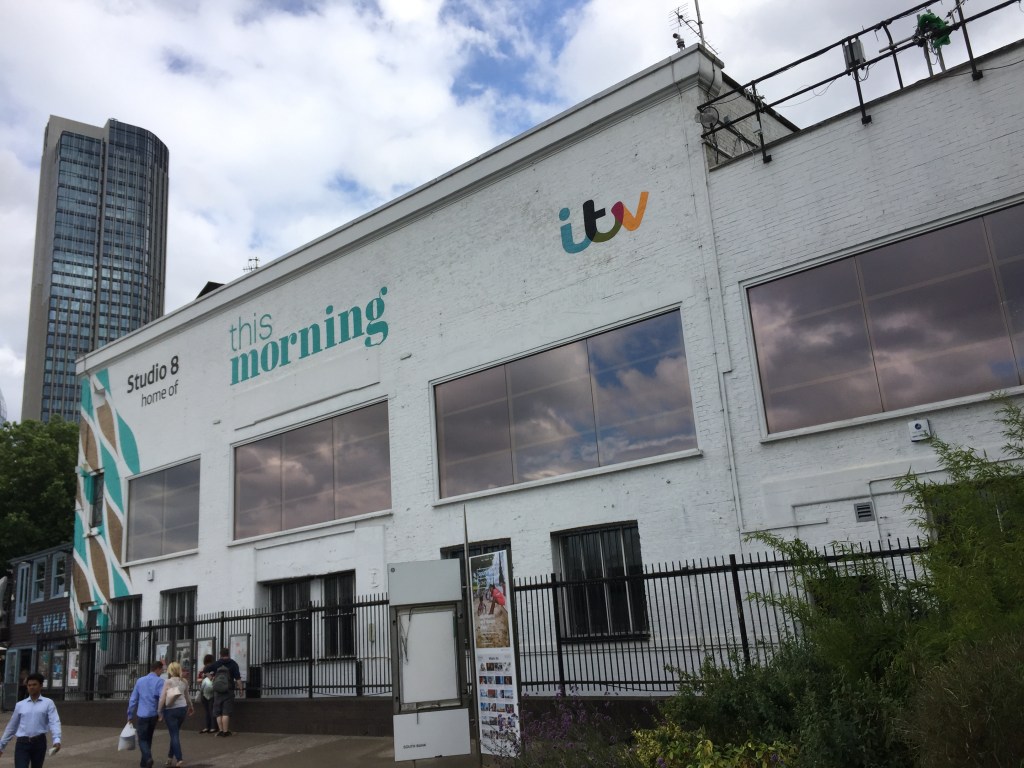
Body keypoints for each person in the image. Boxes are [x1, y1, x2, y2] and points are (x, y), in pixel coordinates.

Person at [0, 672, 61, 767]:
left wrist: (56, 739)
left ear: (41, 686)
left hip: (39, 742)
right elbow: (12, 727)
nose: (31, 687)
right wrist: (1, 745)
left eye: (34, 685)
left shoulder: (48, 703)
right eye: (29, 685)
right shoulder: (20, 705)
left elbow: (54, 722)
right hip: (22, 743)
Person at [127, 660, 165, 768]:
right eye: (161, 669)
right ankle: (144, 763)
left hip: (142, 715)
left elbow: (133, 699)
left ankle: (147, 758)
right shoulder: (160, 682)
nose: (162, 672)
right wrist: (161, 713)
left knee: (142, 739)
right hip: (153, 714)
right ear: (157, 669)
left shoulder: (140, 681)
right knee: (148, 738)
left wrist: (130, 715)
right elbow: (162, 698)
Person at [157, 661, 193, 767]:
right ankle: (169, 757)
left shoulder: (168, 682)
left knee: (174, 735)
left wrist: (159, 711)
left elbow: (163, 697)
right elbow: (187, 696)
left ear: (170, 671)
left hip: (171, 710)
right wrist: (191, 707)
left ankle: (179, 759)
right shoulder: (184, 681)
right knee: (175, 733)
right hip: (182, 709)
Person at [202, 648, 241, 737]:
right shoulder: (233, 664)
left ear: (220, 654)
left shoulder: (216, 663)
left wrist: (211, 678)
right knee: (226, 712)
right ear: (228, 654)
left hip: (217, 691)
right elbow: (238, 678)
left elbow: (205, 670)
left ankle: (220, 730)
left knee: (218, 712)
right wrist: (241, 689)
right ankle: (226, 731)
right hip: (228, 690)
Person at [197, 655, 216, 734]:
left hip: (205, 691)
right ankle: (211, 727)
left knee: (208, 710)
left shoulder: (203, 669)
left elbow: (198, 680)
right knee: (210, 710)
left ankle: (208, 727)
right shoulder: (213, 669)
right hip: (211, 691)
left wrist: (204, 678)